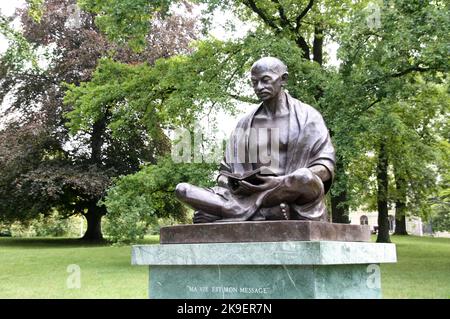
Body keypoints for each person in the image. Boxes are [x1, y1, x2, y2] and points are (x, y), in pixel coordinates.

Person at [175, 57, 335, 223]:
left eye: (266, 80)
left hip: (290, 193)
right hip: (245, 196)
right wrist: (234, 184)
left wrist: (279, 182)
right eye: (254, 82)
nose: (259, 87)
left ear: (283, 79)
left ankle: (232, 212)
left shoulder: (308, 117)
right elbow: (224, 173)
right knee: (183, 190)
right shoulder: (245, 124)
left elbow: (325, 168)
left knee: (304, 178)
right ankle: (263, 212)